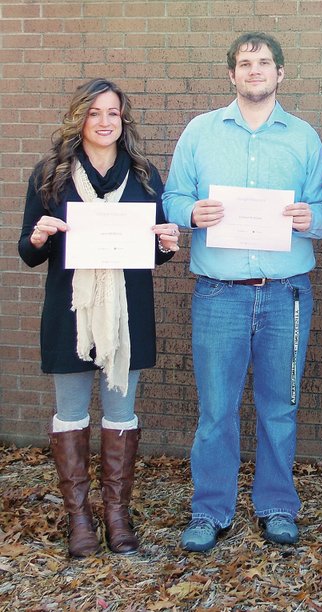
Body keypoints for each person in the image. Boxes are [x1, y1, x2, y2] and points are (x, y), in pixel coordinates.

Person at [162, 32, 322, 553]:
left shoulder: (304, 138)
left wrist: (311, 217)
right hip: (220, 294)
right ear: (231, 74)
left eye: (263, 63)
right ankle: (210, 511)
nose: (254, 70)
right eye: (244, 63)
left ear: (281, 73)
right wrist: (190, 214)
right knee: (217, 410)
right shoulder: (200, 132)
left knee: (279, 408)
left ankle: (277, 505)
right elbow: (173, 197)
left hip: (287, 295)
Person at [17, 78, 179, 557]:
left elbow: (153, 251)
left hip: (127, 315)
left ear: (122, 119)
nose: (105, 122)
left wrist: (166, 244)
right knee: (70, 413)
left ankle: (116, 514)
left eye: (113, 113)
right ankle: (80, 519)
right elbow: (27, 252)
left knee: (121, 413)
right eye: (95, 113)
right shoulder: (53, 174)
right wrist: (41, 236)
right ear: (79, 119)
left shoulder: (144, 174)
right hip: (71, 311)